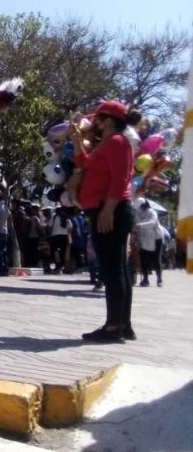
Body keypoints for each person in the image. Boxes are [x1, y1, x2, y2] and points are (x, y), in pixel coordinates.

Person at [72, 100, 136, 342]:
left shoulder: (118, 142)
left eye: (98, 118)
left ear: (108, 120)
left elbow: (121, 178)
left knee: (113, 270)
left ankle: (113, 328)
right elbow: (85, 164)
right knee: (117, 268)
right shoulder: (107, 144)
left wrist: (108, 210)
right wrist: (77, 140)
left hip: (110, 210)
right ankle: (122, 325)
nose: (94, 122)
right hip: (106, 209)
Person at [134, 200, 160, 287]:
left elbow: (152, 222)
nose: (140, 208)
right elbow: (135, 223)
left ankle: (159, 279)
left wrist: (140, 225)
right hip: (143, 238)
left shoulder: (152, 212)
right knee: (143, 259)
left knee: (156, 258)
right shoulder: (137, 213)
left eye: (142, 206)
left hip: (156, 237)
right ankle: (145, 279)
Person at [48, 208, 73, 273]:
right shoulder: (66, 217)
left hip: (55, 236)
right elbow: (70, 227)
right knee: (63, 251)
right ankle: (62, 267)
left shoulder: (54, 217)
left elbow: (49, 226)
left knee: (55, 251)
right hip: (64, 236)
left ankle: (58, 266)